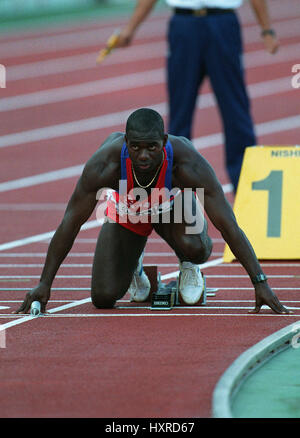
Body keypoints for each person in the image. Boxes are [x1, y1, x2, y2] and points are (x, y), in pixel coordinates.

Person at [15, 108, 290, 315]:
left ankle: (189, 266)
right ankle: (135, 263)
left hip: (172, 209)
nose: (143, 155)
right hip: (129, 214)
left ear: (164, 141)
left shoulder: (186, 163)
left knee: (195, 246)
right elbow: (70, 224)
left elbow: (228, 226)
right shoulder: (105, 165)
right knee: (103, 297)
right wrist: (44, 283)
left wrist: (259, 281)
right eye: (135, 147)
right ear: (125, 143)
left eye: (151, 147)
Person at [115, 0, 279, 192]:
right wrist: (130, 29)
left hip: (223, 23)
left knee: (235, 110)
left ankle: (248, 188)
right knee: (180, 113)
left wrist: (267, 29)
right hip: (184, 25)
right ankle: (173, 188)